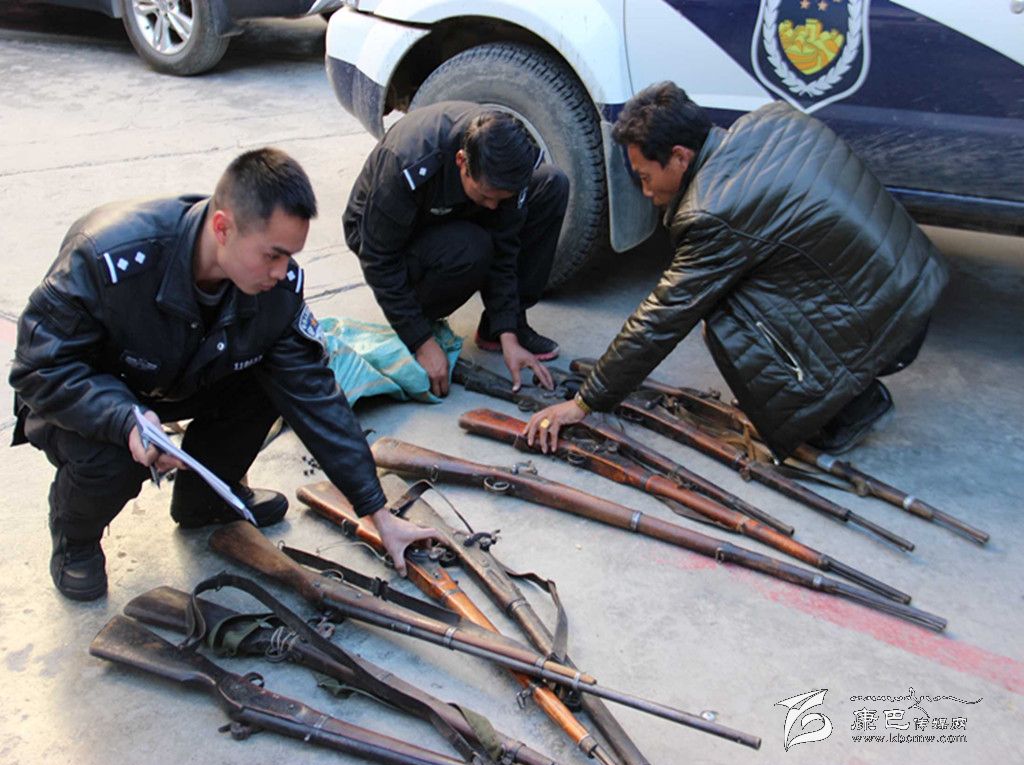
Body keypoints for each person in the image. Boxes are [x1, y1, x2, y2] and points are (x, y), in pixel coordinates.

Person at [9, 148, 436, 602]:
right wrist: (122, 418)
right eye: (272, 255)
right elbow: (39, 367)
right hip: (90, 394)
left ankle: (205, 500)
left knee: (272, 379)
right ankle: (75, 538)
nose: (282, 272)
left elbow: (315, 395)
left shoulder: (275, 288)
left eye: (290, 257)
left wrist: (377, 511)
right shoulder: (108, 258)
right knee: (114, 460)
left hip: (180, 376)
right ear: (222, 228)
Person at [526, 82, 948, 459]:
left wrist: (585, 402)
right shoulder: (768, 120)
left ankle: (849, 410)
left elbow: (661, 318)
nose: (647, 191)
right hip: (915, 284)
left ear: (680, 156)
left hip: (891, 328)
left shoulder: (713, 209)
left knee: (726, 318)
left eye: (646, 177)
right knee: (749, 281)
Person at [343, 101, 570, 396]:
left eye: (501, 198)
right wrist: (421, 341)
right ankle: (418, 313)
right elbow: (378, 258)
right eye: (486, 196)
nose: (493, 206)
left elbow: (505, 245)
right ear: (461, 161)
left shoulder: (509, 163)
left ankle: (498, 327)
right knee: (472, 248)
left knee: (552, 184)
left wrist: (508, 332)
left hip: (448, 215)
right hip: (380, 234)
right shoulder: (407, 162)